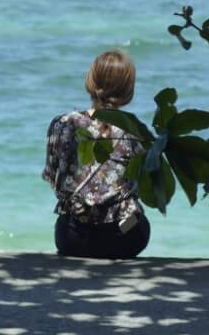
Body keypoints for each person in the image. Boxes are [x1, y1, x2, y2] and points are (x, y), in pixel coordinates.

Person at [41, 50, 151, 260]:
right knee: (140, 221)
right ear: (128, 91)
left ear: (90, 81)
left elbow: (53, 177)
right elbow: (144, 186)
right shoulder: (137, 133)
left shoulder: (63, 124)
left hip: (72, 237)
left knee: (65, 218)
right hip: (123, 237)